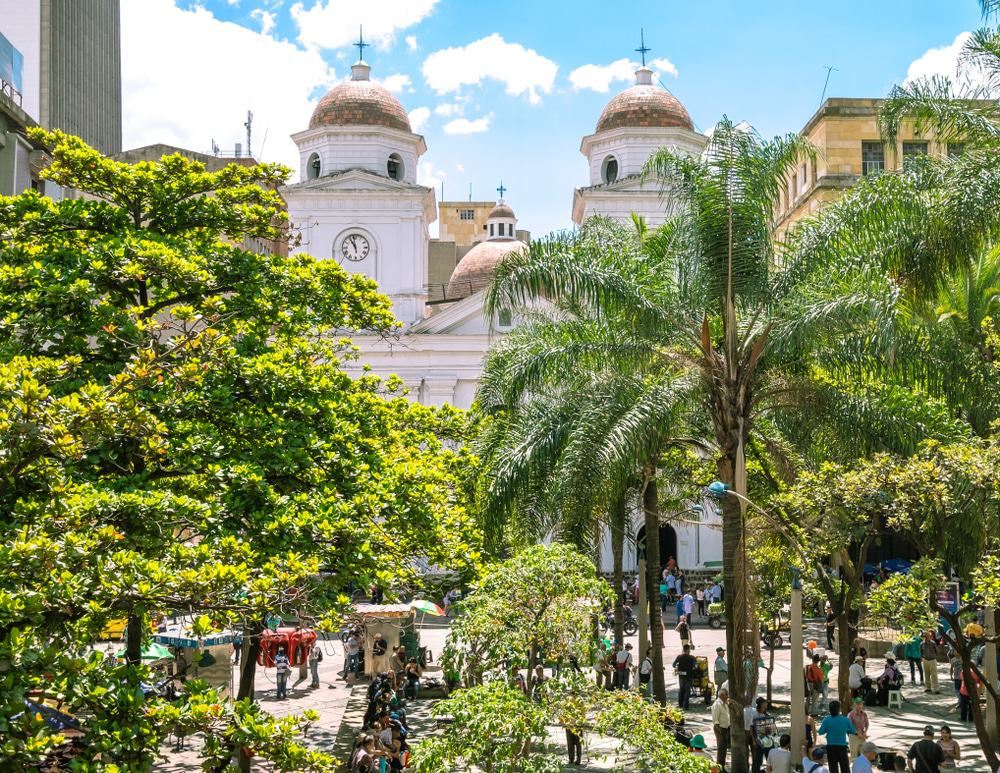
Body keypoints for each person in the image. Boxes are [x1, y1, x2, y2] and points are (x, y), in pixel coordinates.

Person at [818, 700, 857, 773]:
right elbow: (853, 731)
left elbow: (820, 732)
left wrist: (828, 729)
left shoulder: (826, 720)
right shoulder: (845, 720)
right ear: (839, 709)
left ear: (830, 710)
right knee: (845, 769)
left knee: (833, 769)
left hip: (831, 748)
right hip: (842, 748)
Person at [751, 697, 778, 773]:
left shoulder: (767, 714)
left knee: (769, 758)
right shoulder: (755, 714)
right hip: (759, 741)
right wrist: (753, 740)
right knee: (757, 760)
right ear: (761, 704)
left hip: (768, 741)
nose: (767, 704)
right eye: (765, 702)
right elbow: (751, 728)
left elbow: (772, 727)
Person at [711, 687, 731, 771]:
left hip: (726, 728)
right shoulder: (717, 704)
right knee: (721, 749)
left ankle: (721, 767)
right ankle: (720, 769)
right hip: (720, 729)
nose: (728, 697)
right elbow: (715, 720)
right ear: (722, 695)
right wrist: (721, 731)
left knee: (724, 749)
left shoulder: (724, 703)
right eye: (727, 695)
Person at [674, 645, 697, 709]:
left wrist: (678, 667)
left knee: (681, 690)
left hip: (681, 676)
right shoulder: (692, 657)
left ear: (683, 650)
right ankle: (685, 705)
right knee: (687, 691)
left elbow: (674, 665)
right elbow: (695, 666)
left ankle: (680, 703)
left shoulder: (679, 657)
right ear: (689, 650)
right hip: (689, 676)